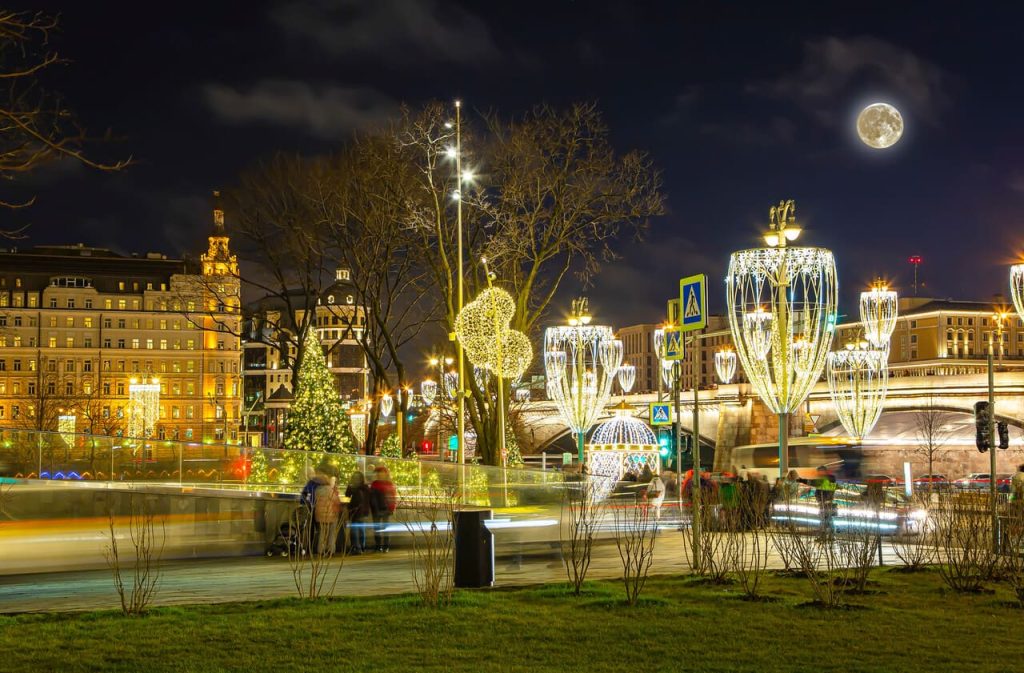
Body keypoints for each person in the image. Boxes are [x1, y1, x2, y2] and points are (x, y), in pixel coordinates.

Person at [370, 465, 398, 552]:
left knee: (384, 529)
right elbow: (371, 497)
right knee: (377, 529)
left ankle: (385, 546)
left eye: (381, 473)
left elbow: (392, 497)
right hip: (376, 509)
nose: (379, 474)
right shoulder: (375, 484)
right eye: (378, 473)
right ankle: (378, 546)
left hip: (385, 509)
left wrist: (392, 508)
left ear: (385, 474)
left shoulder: (388, 484)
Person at [345, 471, 371, 555]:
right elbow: (368, 499)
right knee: (361, 530)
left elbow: (347, 496)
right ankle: (361, 547)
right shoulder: (365, 487)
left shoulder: (354, 487)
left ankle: (356, 548)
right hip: (363, 512)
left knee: (355, 531)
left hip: (355, 511)